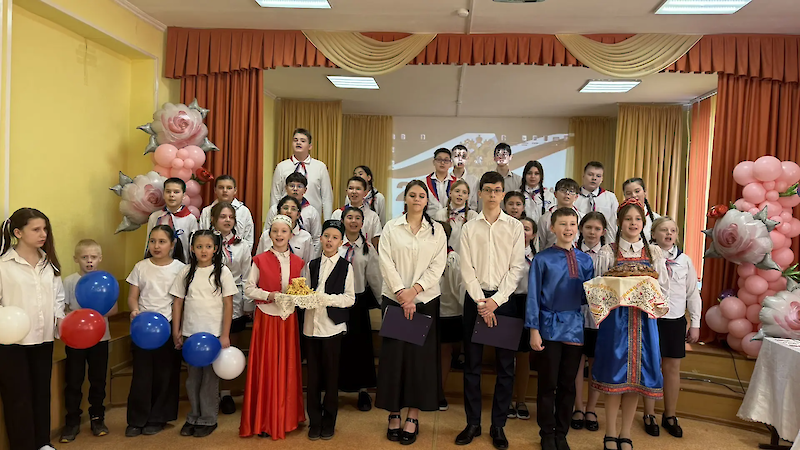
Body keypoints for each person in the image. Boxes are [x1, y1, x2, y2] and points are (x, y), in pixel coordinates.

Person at [457, 171, 527, 450]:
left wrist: (496, 301)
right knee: (472, 366)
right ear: (480, 193)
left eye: (497, 190)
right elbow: (466, 268)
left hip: (504, 301)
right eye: (488, 190)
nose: (493, 195)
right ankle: (472, 423)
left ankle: (498, 425)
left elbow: (517, 268)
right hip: (475, 300)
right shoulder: (469, 227)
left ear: (503, 193)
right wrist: (481, 303)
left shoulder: (515, 227)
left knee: (505, 368)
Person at [592, 198, 669, 450]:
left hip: (644, 322)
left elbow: (663, 288)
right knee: (613, 378)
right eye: (628, 219)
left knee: (636, 380)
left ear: (643, 223)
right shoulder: (608, 252)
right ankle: (610, 433)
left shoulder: (654, 253)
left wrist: (655, 302)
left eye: (637, 219)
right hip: (615, 322)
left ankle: (626, 433)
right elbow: (598, 288)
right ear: (619, 222)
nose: (633, 223)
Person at [377, 180, 447, 446]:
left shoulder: (436, 231)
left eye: (421, 196)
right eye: (412, 195)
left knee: (420, 362)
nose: (417, 199)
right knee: (394, 359)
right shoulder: (391, 228)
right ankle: (394, 413)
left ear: (427, 201)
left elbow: (437, 265)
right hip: (395, 299)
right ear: (405, 198)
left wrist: (414, 291)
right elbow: (386, 261)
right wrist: (401, 293)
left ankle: (413, 416)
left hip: (425, 300)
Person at [527, 208, 594, 450]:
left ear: (577, 228)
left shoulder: (586, 260)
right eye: (563, 224)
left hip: (574, 326)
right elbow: (533, 296)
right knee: (548, 383)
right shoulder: (542, 259)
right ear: (552, 228)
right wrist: (533, 329)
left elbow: (588, 296)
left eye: (572, 224)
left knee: (568, 383)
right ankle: (546, 432)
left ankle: (561, 432)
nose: (568, 228)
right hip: (548, 326)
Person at [0, 208, 65, 450]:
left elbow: (58, 298)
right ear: (18, 233)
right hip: (12, 343)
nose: (43, 234)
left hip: (43, 338)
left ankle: (42, 443)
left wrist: (59, 320)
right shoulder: (3, 265)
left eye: (45, 229)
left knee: (41, 393)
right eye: (36, 229)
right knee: (18, 397)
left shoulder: (50, 263)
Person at [240, 215, 306, 439]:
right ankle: (265, 419)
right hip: (267, 319)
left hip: (288, 320)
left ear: (291, 234)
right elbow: (249, 288)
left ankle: (286, 418)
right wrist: (270, 295)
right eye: (275, 231)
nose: (279, 235)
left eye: (283, 231)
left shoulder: (299, 262)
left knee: (287, 367)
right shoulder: (259, 260)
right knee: (266, 368)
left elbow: (302, 290)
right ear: (269, 235)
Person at [170, 230, 236, 438]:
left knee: (209, 379)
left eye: (208, 246)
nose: (204, 250)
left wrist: (225, 334)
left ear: (215, 249)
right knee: (193, 378)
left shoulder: (222, 272)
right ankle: (194, 416)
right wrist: (176, 330)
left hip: (213, 336)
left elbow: (228, 304)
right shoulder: (186, 272)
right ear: (192, 249)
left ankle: (208, 418)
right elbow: (178, 302)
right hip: (191, 335)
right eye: (199, 247)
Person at [642, 217, 702, 439]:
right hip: (651, 318)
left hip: (675, 320)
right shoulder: (647, 257)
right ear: (653, 234)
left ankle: (670, 415)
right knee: (651, 366)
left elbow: (692, 293)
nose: (669, 234)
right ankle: (649, 414)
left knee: (672, 368)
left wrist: (695, 323)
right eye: (664, 230)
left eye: (673, 230)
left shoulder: (684, 260)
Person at [125, 225, 186, 437]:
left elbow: (179, 301)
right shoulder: (140, 267)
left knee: (165, 374)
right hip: (143, 328)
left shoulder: (180, 268)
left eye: (162, 242)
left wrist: (177, 329)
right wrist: (134, 310)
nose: (156, 246)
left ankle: (158, 417)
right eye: (152, 241)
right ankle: (136, 419)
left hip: (167, 326)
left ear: (172, 244)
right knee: (141, 375)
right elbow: (133, 296)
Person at [59, 239, 116, 442]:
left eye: (93, 257)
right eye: (84, 257)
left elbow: (114, 309)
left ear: (100, 258)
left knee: (98, 380)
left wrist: (94, 315)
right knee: (73, 380)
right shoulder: (69, 281)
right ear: (76, 259)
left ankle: (97, 418)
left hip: (100, 338)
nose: (89, 261)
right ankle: (72, 421)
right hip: (75, 340)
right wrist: (77, 319)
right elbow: (63, 309)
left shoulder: (106, 281)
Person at [304, 220, 356, 440]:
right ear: (321, 238)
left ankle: (329, 421)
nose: (329, 241)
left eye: (335, 238)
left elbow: (349, 298)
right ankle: (314, 421)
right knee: (313, 378)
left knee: (331, 377)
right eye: (326, 236)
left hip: (332, 328)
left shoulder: (346, 267)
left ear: (341, 242)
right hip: (310, 327)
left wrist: (325, 299)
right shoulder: (311, 265)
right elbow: (305, 292)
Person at [337, 206, 383, 411]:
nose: (353, 221)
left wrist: (383, 303)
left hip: (358, 302)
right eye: (349, 217)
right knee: (338, 346)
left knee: (360, 348)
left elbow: (375, 278)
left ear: (362, 223)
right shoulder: (335, 244)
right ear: (343, 220)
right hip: (336, 301)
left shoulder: (367, 249)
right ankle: (335, 389)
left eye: (357, 218)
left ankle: (363, 391)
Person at [210, 202, 253, 415]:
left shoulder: (241, 245)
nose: (227, 220)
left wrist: (247, 304)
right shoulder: (205, 241)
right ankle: (210, 393)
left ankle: (226, 393)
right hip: (208, 301)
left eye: (231, 217)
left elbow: (246, 276)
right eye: (222, 216)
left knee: (229, 347)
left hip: (233, 301)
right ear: (213, 220)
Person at [572, 212, 607, 433]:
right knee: (576, 362)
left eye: (597, 229)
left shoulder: (608, 254)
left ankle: (591, 408)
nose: (592, 232)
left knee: (596, 363)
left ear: (603, 231)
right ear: (581, 229)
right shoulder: (572, 252)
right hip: (575, 315)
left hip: (599, 319)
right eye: (588, 228)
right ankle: (578, 407)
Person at [508, 217, 538, 421]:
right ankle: (506, 399)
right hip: (508, 302)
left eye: (526, 229)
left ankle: (521, 400)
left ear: (533, 235)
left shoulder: (537, 257)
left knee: (523, 355)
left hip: (528, 304)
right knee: (506, 354)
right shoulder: (505, 252)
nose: (522, 232)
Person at [270, 128, 334, 220]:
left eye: (303, 141)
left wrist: (328, 222)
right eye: (295, 140)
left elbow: (326, 197)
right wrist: (275, 219)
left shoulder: (320, 167)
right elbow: (275, 196)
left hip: (311, 218)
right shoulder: (281, 167)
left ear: (310, 146)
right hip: (286, 218)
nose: (298, 143)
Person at [437, 221, 464, 412]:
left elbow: (459, 288)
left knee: (444, 352)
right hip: (426, 309)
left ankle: (439, 392)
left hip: (448, 312)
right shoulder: (425, 254)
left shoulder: (452, 258)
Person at [265, 172, 322, 254]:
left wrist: (312, 259)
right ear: (286, 188)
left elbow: (316, 239)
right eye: (291, 186)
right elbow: (267, 233)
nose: (295, 189)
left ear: (305, 190)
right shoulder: (275, 209)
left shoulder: (312, 212)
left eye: (299, 186)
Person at [145, 177, 198, 261]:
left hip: (182, 263)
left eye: (176, 192)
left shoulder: (190, 218)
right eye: (168, 191)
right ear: (163, 194)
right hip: (157, 262)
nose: (171, 195)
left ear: (183, 195)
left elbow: (194, 245)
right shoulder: (155, 217)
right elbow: (148, 242)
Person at [199, 175, 255, 248]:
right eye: (221, 187)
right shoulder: (207, 211)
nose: (225, 190)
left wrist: (240, 252)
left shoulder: (244, 211)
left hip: (238, 252)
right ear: (215, 190)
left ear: (235, 190)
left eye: (229, 188)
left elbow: (249, 239)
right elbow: (201, 235)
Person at [257, 196, 314, 262]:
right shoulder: (266, 235)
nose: (289, 211)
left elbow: (308, 264)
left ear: (298, 215)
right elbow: (258, 261)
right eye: (285, 208)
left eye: (293, 209)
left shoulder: (306, 237)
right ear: (278, 212)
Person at [331, 176, 382, 248]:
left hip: (365, 253)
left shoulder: (373, 216)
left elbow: (375, 241)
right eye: (351, 188)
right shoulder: (337, 214)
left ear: (365, 193)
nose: (354, 192)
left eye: (358, 189)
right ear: (346, 191)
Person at [574, 162, 619, 239]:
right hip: (577, 239)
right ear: (583, 176)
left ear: (602, 179)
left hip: (603, 240)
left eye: (598, 176)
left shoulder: (610, 197)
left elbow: (614, 224)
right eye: (590, 174)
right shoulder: (574, 197)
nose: (594, 178)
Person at [433, 179, 478, 254]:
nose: (460, 194)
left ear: (467, 197)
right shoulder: (440, 214)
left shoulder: (473, 216)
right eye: (457, 191)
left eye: (464, 192)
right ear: (450, 193)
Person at [539, 178, 582, 250]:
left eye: (571, 191)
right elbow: (541, 244)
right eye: (563, 190)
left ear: (576, 196)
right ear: (555, 194)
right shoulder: (545, 218)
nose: (567, 193)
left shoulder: (582, 217)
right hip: (551, 255)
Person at [622, 178, 661, 243]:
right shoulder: (616, 217)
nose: (633, 195)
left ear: (645, 192)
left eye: (637, 191)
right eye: (628, 193)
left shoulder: (656, 218)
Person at [426, 148, 457, 218]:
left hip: (452, 221)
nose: (442, 163)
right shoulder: (424, 182)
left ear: (450, 164)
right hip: (430, 221)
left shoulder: (457, 182)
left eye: (446, 160)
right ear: (434, 162)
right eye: (439, 160)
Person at [450, 144, 479, 211]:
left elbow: (474, 205)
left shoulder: (474, 180)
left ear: (467, 159)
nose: (460, 159)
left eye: (463, 156)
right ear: (451, 159)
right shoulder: (446, 179)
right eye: (457, 156)